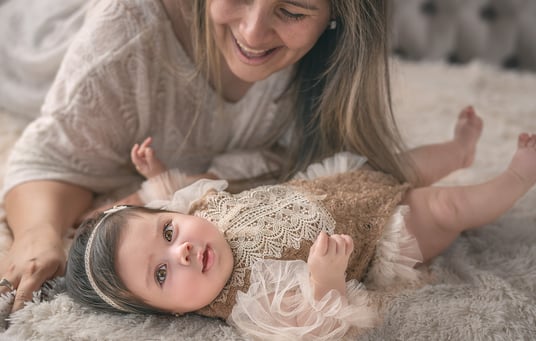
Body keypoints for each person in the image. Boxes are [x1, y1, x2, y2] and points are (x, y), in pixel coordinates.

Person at [0, 0, 428, 312]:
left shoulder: (331, 71)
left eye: (292, 12)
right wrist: (39, 231)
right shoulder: (127, 35)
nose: (253, 32)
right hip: (23, 40)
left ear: (339, 15)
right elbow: (47, 158)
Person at [64, 110, 536, 339]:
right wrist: (326, 277)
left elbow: (175, 194)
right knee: (443, 208)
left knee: (400, 165)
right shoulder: (250, 297)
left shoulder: (199, 213)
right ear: (168, 313)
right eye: (162, 274)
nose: (180, 250)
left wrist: (156, 176)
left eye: (168, 233)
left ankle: (458, 151)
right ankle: (516, 177)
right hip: (382, 234)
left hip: (342, 187)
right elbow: (320, 324)